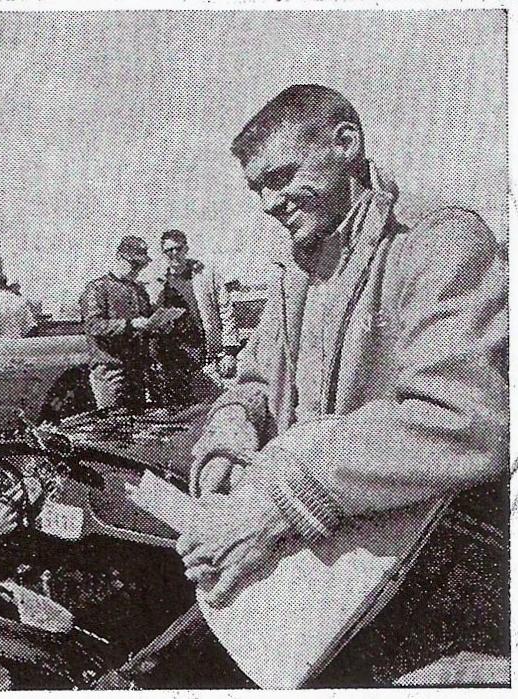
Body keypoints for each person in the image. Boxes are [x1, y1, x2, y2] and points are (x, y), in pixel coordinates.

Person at [173, 85, 508, 686]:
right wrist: (227, 443)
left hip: (438, 571)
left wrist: (281, 494)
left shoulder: (438, 240)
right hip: (329, 569)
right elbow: (250, 381)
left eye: (281, 178)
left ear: (345, 145)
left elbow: (462, 420)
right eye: (258, 191)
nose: (270, 205)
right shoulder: (301, 263)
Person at [150, 229, 240, 406]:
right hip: (176, 358)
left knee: (214, 405)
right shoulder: (159, 283)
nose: (174, 254)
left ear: (186, 248)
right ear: (163, 253)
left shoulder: (206, 274)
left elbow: (226, 311)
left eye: (178, 248)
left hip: (206, 355)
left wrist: (230, 352)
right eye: (169, 250)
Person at [79, 235, 155, 410]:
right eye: (134, 264)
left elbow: (146, 324)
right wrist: (130, 324)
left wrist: (157, 325)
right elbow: (93, 326)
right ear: (119, 257)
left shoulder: (139, 291)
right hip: (110, 372)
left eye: (141, 266)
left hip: (137, 372)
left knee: (138, 430)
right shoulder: (97, 288)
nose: (137, 270)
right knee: (113, 428)